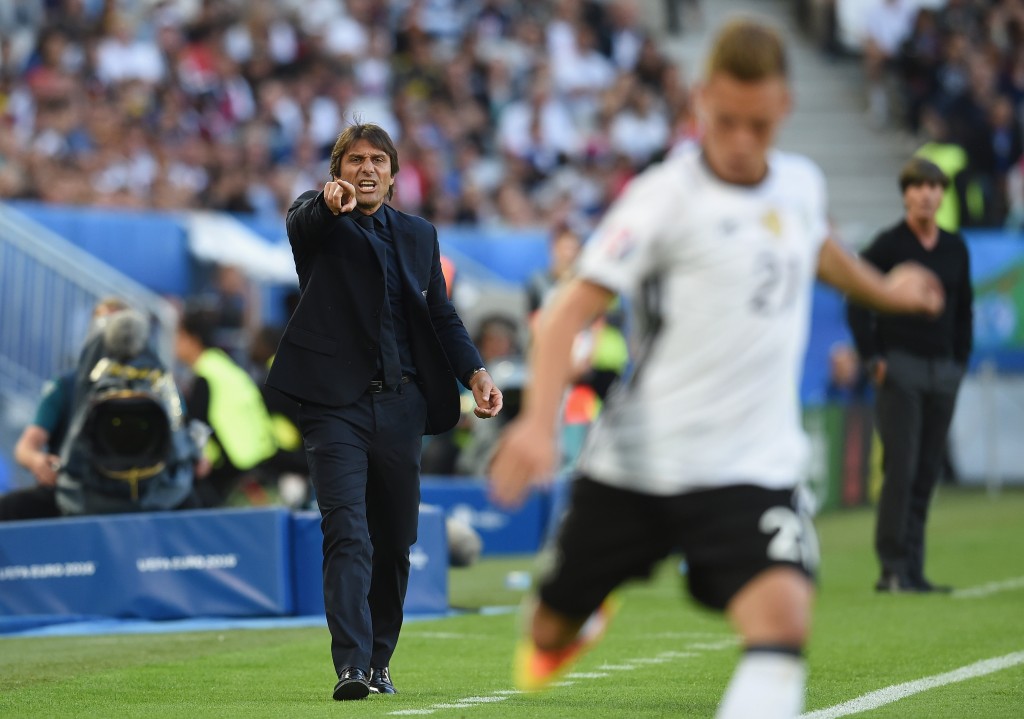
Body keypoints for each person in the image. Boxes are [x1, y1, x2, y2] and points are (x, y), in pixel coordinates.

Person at [489, 19, 944, 719]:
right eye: (725, 120)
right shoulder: (664, 197)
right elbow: (563, 314)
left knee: (784, 619)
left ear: (785, 107)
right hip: (641, 463)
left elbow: (816, 247)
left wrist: (888, 291)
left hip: (752, 464)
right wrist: (537, 426)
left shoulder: (800, 184)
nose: (739, 142)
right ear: (699, 99)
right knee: (543, 634)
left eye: (757, 126)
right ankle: (582, 613)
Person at [265, 122, 503, 700]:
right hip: (334, 407)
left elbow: (442, 316)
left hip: (403, 405)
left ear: (394, 175)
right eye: (354, 160)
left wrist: (473, 371)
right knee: (346, 531)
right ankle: (349, 665)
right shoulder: (318, 221)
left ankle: (379, 660)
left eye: (377, 160)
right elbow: (302, 221)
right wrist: (328, 205)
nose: (366, 169)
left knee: (395, 540)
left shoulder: (421, 235)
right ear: (337, 171)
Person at [846, 157, 973, 593]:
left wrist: (959, 362)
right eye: (918, 187)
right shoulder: (887, 245)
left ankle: (914, 569)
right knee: (900, 467)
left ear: (942, 195)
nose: (927, 194)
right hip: (900, 368)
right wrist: (873, 358)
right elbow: (856, 298)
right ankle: (891, 568)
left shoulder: (956, 248)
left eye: (934, 187)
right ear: (905, 195)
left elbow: (963, 310)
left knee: (926, 470)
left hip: (943, 372)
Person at [1, 298, 200, 520]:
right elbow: (25, 447)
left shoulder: (162, 387)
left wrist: (196, 456)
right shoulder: (67, 385)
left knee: (203, 519)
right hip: (77, 492)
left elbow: (184, 442)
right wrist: (38, 461)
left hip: (152, 494)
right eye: (104, 323)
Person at [174, 306, 278, 508]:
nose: (174, 344)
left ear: (192, 339)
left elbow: (196, 427)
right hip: (258, 459)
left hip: (235, 469)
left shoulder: (206, 375)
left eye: (178, 337)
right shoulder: (224, 366)